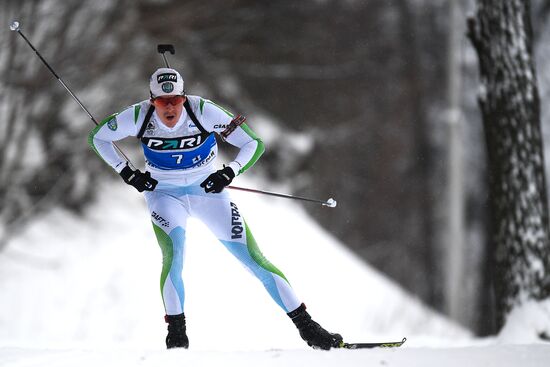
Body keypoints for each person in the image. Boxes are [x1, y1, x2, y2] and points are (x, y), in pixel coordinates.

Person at [88, 67, 343, 350]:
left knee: (254, 259)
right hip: (163, 195)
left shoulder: (203, 111)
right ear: (152, 101)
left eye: (176, 100)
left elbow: (253, 144)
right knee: (173, 257)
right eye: (162, 101)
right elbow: (98, 137)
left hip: (208, 194)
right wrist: (127, 172)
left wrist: (228, 173)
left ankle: (308, 328)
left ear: (184, 98)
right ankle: (176, 337)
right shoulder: (137, 116)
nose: (170, 107)